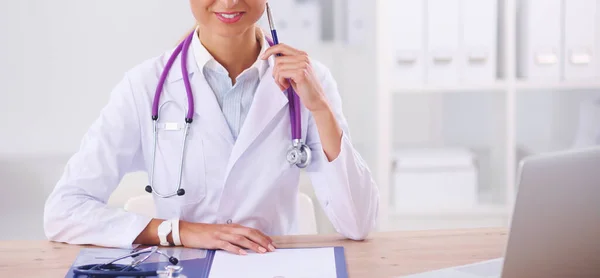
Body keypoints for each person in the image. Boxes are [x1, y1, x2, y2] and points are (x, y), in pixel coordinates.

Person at [43, 0, 379, 255]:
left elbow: (359, 224)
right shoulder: (144, 87)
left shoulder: (310, 82)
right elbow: (64, 210)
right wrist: (178, 231)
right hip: (185, 268)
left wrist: (319, 108)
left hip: (274, 267)